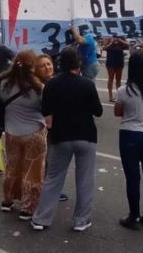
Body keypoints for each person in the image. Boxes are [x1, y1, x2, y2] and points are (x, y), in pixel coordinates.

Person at [31, 48, 103, 232]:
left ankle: (41, 218)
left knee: (53, 178)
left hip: (61, 136)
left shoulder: (52, 85)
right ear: (78, 64)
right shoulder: (87, 84)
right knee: (85, 179)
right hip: (86, 135)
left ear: (59, 64)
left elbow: (45, 111)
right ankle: (81, 220)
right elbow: (98, 111)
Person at [0, 50, 47, 220]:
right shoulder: (38, 87)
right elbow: (45, 109)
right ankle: (27, 207)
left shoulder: (3, 82)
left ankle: (7, 200)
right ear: (33, 66)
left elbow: (0, 102)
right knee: (32, 172)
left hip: (11, 132)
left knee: (12, 168)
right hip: (34, 132)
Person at [115, 52, 143, 230]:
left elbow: (118, 112)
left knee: (133, 177)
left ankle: (133, 216)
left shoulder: (124, 90)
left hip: (130, 134)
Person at [105, 35, 129, 101]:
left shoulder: (121, 40)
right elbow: (104, 48)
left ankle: (119, 96)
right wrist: (111, 42)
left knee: (118, 79)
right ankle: (110, 96)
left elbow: (127, 45)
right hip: (110, 62)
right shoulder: (109, 39)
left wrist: (120, 40)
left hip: (119, 62)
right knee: (111, 78)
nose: (115, 38)